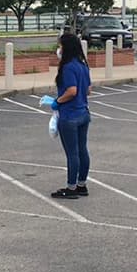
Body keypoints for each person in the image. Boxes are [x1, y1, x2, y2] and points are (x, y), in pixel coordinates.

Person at [45, 33, 91, 199]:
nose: (59, 50)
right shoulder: (83, 65)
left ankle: (71, 188)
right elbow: (88, 90)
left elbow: (72, 91)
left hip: (69, 115)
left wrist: (57, 101)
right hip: (83, 113)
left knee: (72, 153)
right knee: (82, 150)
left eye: (61, 46)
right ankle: (81, 184)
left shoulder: (68, 67)